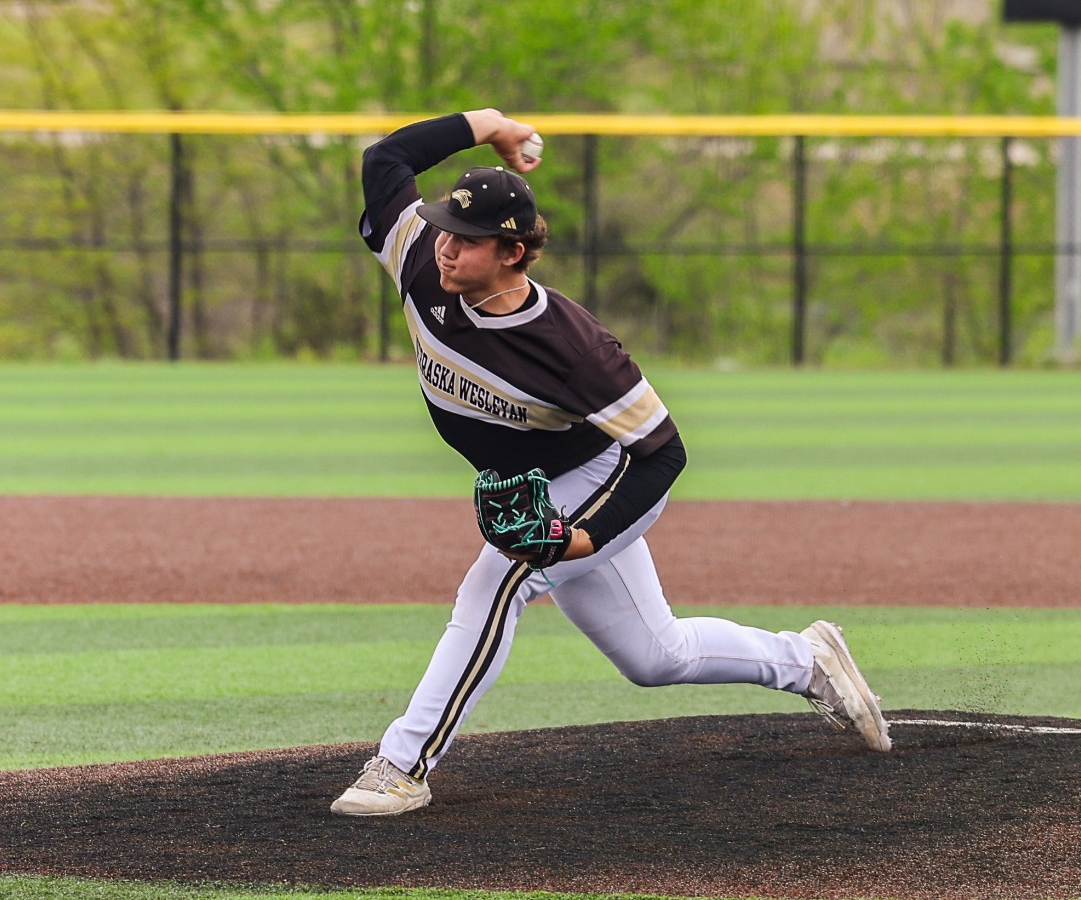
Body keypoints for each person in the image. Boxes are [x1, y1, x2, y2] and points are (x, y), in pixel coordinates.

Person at [332, 109, 892, 818]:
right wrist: (487, 124)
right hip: (542, 481)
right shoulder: (419, 253)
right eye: (447, 226)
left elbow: (662, 452)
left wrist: (582, 538)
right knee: (656, 657)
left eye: (468, 240)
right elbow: (385, 160)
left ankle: (403, 763)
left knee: (498, 582)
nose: (446, 246)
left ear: (511, 252)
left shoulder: (574, 348)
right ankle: (807, 660)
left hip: (606, 476)